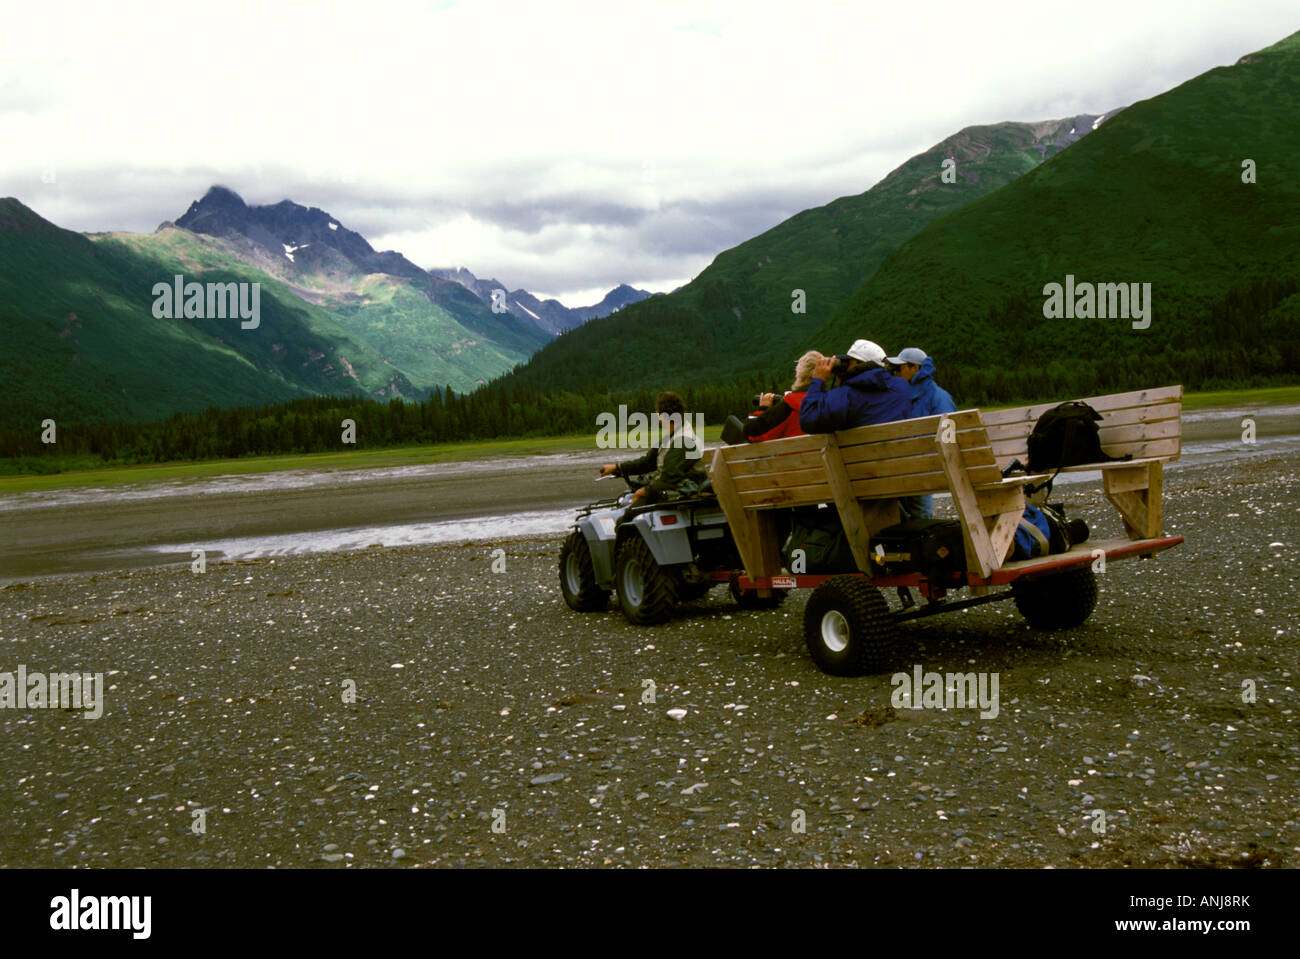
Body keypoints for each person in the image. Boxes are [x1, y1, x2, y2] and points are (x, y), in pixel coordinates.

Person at [599, 391, 707, 511]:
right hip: (670, 490)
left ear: (663, 416)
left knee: (627, 517)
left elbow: (669, 477)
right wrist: (617, 467)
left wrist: (644, 491)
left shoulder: (683, 440)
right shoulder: (672, 436)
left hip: (682, 493)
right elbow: (647, 462)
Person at [887, 347, 958, 520]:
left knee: (914, 511)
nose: (896, 373)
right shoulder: (940, 396)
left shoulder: (931, 397)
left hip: (921, 468)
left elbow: (948, 439)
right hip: (911, 467)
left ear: (915, 369)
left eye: (899, 368)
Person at [798, 339, 911, 433]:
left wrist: (818, 381)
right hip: (905, 457)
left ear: (858, 364)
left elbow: (808, 420)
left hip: (865, 458)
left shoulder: (846, 396)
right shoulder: (902, 386)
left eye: (849, 362)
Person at [744, 350, 824, 442]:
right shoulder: (834, 403)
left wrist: (763, 409)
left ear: (799, 373)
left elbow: (751, 435)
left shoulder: (789, 406)